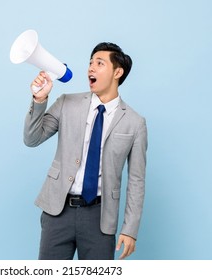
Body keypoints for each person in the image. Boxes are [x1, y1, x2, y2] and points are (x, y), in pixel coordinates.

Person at [23, 42, 147, 260]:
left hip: (99, 217)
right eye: (90, 62)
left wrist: (130, 229)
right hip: (57, 211)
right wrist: (40, 99)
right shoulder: (66, 103)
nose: (91, 68)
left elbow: (137, 180)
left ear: (118, 72)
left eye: (99, 63)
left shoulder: (135, 123)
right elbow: (32, 139)